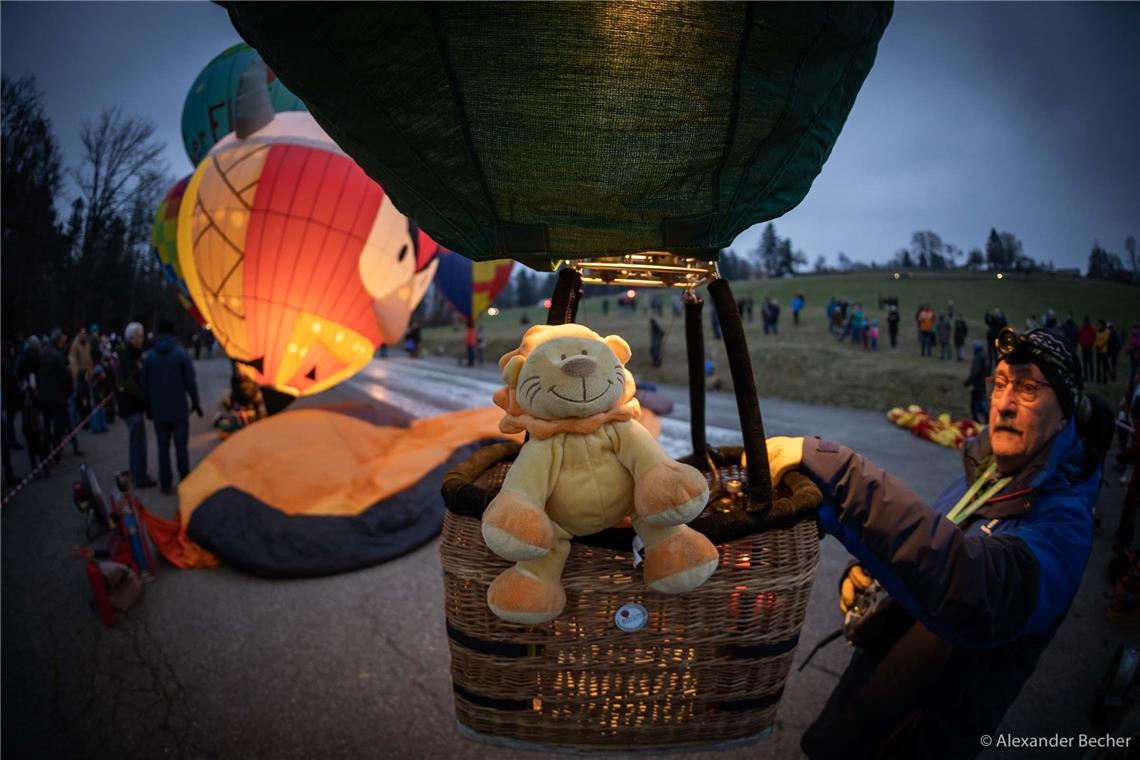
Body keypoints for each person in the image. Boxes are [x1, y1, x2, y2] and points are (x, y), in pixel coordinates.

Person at [769, 328, 1098, 759]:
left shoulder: (1065, 521)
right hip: (865, 706)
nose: (1005, 402)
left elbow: (977, 588)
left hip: (916, 738)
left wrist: (844, 479)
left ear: (1065, 414)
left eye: (1028, 388)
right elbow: (928, 552)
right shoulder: (984, 475)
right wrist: (874, 577)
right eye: (999, 384)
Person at [143, 320, 202, 495]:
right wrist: (196, 403)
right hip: (179, 410)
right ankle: (185, 480)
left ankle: (166, 484)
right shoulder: (181, 354)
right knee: (181, 447)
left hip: (159, 411)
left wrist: (149, 409)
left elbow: (145, 386)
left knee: (163, 448)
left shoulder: (150, 357)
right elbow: (190, 381)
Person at [117, 323, 156, 489]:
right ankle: (139, 477)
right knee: (138, 442)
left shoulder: (132, 354)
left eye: (142, 336)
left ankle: (138, 472)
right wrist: (144, 398)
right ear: (131, 338)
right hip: (131, 406)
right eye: (139, 336)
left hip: (133, 405)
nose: (142, 339)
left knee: (137, 441)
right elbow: (129, 383)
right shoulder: (127, 356)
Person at [39, 329, 81, 461]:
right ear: (59, 340)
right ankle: (56, 454)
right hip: (57, 398)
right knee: (58, 426)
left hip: (45, 398)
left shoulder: (43, 353)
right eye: (63, 339)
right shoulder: (57, 355)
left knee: (47, 427)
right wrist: (69, 392)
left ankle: (46, 453)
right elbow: (65, 377)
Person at [964, 339, 988, 422]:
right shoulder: (985, 355)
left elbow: (975, 372)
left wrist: (968, 382)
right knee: (980, 400)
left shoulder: (978, 357)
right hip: (984, 382)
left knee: (974, 403)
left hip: (978, 383)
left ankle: (976, 420)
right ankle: (986, 416)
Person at [1078, 316, 1096, 382]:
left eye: (1086, 321)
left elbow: (1094, 336)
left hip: (1089, 347)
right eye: (1084, 321)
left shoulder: (1091, 328)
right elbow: (1079, 336)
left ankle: (1091, 376)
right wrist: (1081, 342)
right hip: (1084, 347)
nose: (1085, 322)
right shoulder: (1082, 328)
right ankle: (1085, 376)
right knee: (1084, 363)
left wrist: (1091, 343)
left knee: (1090, 363)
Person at [1095, 319, 1110, 384]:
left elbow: (1105, 340)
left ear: (1103, 324)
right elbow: (1096, 339)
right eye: (1099, 324)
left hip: (1104, 351)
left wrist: (1099, 346)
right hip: (1098, 350)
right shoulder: (1098, 331)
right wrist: (1096, 345)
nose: (1099, 325)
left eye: (1100, 324)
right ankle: (1098, 380)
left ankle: (1105, 381)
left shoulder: (1107, 331)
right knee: (1098, 366)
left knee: (1104, 366)